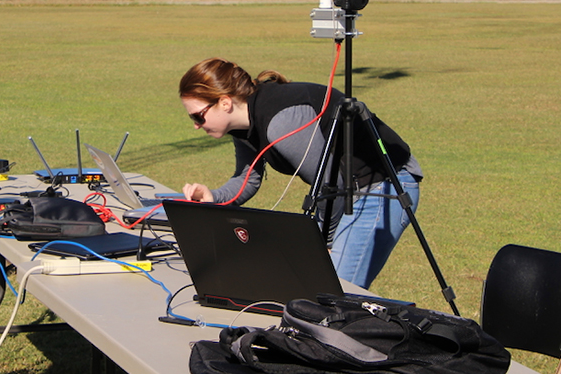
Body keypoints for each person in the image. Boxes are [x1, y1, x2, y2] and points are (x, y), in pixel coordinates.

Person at [179, 58, 423, 289]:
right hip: (345, 192)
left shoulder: (279, 122)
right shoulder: (244, 123)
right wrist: (214, 197)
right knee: (316, 292)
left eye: (198, 116)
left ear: (225, 102)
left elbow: (331, 186)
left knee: (334, 294)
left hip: (383, 188)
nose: (195, 125)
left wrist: (323, 243)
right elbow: (247, 179)